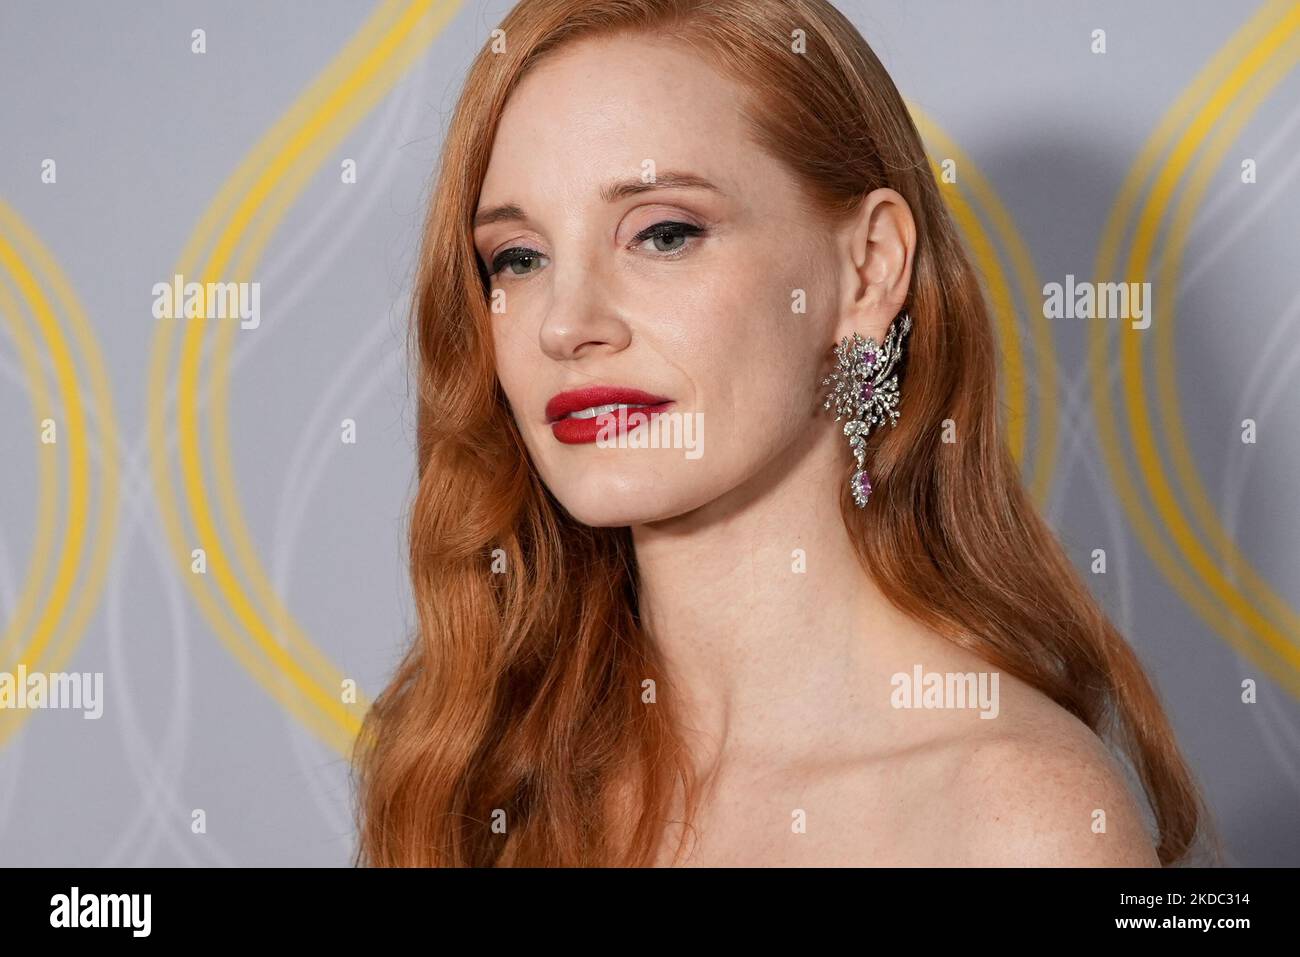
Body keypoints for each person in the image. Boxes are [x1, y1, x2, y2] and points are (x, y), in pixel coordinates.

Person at [353, 0, 1214, 867]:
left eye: (663, 233)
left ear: (869, 266)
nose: (565, 324)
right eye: (519, 257)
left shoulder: (1015, 819)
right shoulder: (474, 771)